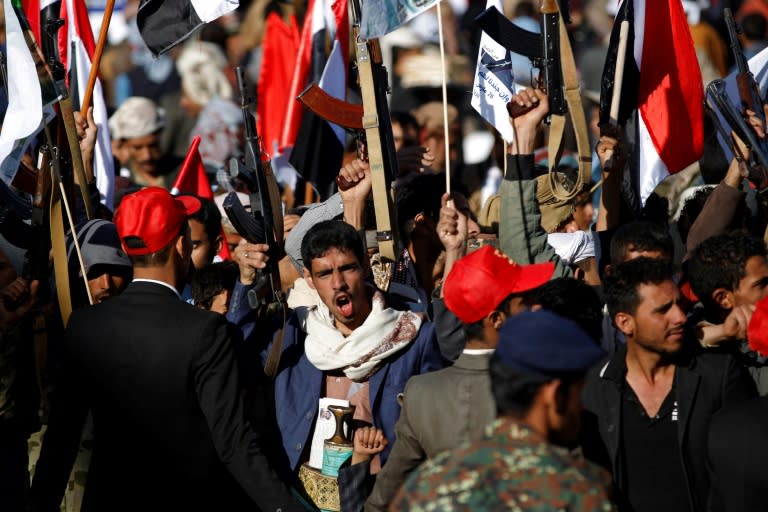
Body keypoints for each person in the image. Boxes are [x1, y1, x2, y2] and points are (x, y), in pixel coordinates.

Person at [28, 187, 302, 512]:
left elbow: (62, 436)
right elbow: (234, 443)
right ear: (181, 245)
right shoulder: (205, 330)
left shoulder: (85, 324)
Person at [229, 219, 443, 504]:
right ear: (308, 278)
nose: (338, 283)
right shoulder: (296, 332)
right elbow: (233, 357)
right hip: (299, 494)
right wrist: (244, 283)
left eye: (347, 268)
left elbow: (434, 429)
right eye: (325, 273)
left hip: (381, 495)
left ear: (365, 265)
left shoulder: (413, 336)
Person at [364, 245, 555, 511]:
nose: (536, 309)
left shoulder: (422, 393)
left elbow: (386, 495)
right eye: (525, 302)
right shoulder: (543, 389)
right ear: (496, 319)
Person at [581, 257, 756, 512]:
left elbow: (747, 469)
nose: (680, 317)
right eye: (663, 310)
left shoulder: (718, 376)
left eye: (680, 305)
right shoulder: (595, 388)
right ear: (624, 322)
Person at [391, 310, 612, 511]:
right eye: (577, 394)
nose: (580, 406)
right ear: (555, 395)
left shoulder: (428, 483)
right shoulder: (580, 490)